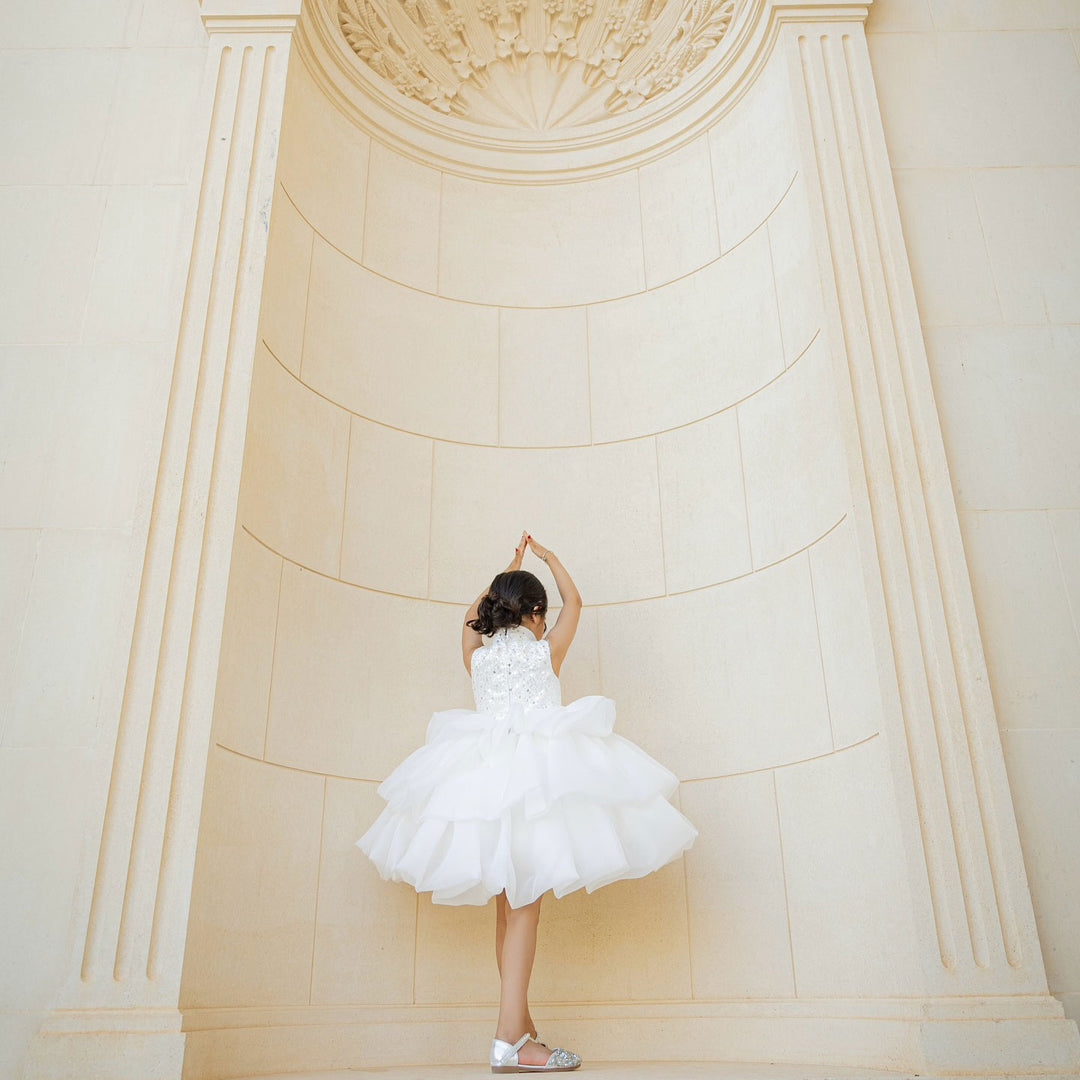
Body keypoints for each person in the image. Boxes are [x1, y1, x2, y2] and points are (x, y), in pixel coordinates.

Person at [356, 531, 698, 1073]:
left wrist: (503, 571)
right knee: (525, 909)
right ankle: (508, 1043)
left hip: (487, 785)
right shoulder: (546, 653)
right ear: (536, 613)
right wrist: (551, 559)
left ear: (497, 610)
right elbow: (576, 602)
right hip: (537, 786)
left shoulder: (479, 658)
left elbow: (466, 620)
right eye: (541, 612)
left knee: (509, 911)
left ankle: (521, 1025)